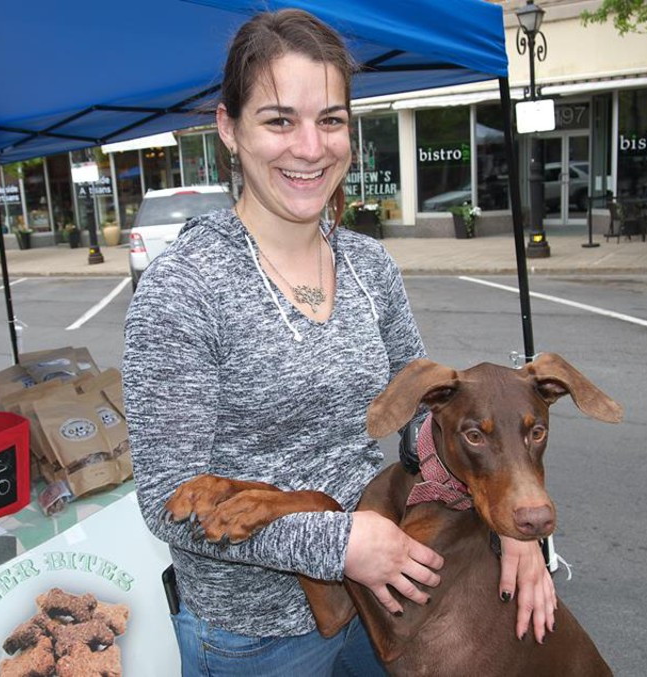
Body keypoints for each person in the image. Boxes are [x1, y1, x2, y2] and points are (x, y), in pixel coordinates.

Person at [123, 9, 555, 676]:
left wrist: (504, 507)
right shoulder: (183, 286)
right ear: (228, 128)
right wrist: (340, 544)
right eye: (278, 120)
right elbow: (166, 501)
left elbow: (423, 418)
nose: (310, 146)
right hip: (257, 637)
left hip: (385, 599)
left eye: (330, 120)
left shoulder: (368, 264)